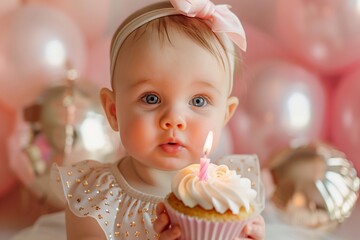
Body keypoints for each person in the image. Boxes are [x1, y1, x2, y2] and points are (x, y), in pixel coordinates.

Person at [52, 0, 265, 239]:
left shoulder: (232, 194)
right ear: (113, 111)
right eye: (151, 98)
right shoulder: (96, 199)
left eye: (198, 101)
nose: (174, 120)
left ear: (225, 115)